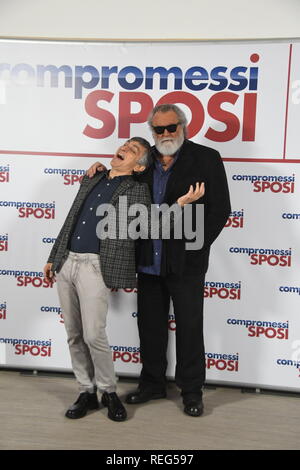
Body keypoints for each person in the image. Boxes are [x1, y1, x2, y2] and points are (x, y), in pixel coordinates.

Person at [43, 136, 204, 422]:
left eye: (134, 150)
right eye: (125, 145)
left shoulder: (136, 191)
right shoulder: (92, 177)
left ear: (139, 167)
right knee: (74, 335)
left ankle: (108, 391)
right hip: (68, 262)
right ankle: (86, 391)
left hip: (96, 267)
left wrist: (179, 205)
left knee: (94, 334)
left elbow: (152, 226)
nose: (125, 149)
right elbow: (71, 219)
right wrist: (54, 257)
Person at [87, 104, 231, 417]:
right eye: (158, 129)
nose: (165, 134)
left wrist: (194, 247)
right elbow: (121, 179)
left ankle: (192, 391)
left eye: (171, 127)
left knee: (190, 327)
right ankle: (152, 383)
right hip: (147, 258)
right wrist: (101, 169)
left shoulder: (206, 158)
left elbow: (219, 210)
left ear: (184, 126)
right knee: (150, 326)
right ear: (152, 131)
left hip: (186, 262)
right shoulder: (146, 159)